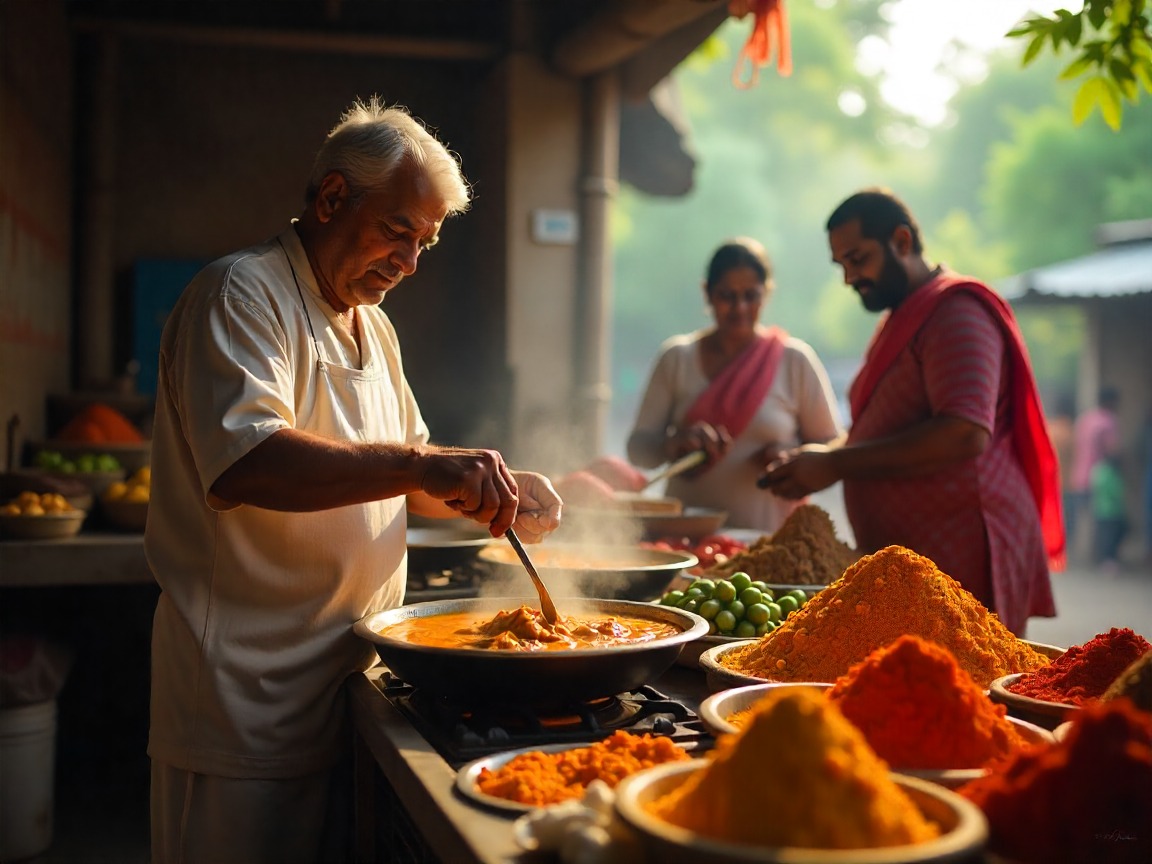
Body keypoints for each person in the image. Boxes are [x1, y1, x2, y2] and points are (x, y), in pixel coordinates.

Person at [144, 97, 562, 864]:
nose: (408, 262)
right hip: (247, 698)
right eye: (397, 230)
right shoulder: (243, 293)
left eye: (425, 243)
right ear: (332, 198)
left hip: (353, 681)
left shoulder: (372, 323)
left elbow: (410, 468)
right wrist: (421, 465)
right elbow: (248, 460)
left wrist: (488, 486)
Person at [759, 188, 1063, 636]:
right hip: (920, 554)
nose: (849, 278)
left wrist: (837, 463)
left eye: (857, 259)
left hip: (967, 545)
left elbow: (964, 432)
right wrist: (820, 456)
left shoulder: (956, 311)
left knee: (964, 693)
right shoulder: (906, 316)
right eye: (841, 264)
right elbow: (882, 427)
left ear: (901, 241)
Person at [625, 237, 842, 532]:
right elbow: (638, 449)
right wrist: (672, 444)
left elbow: (832, 446)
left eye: (750, 296)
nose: (739, 308)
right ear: (707, 294)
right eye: (727, 295)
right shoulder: (677, 358)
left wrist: (790, 455)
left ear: (767, 294)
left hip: (770, 540)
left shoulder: (795, 361)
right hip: (686, 539)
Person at [1068, 386, 1122, 559]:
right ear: (1110, 402)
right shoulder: (1108, 421)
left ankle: (1076, 555)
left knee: (1080, 518)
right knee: (1103, 519)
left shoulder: (1085, 419)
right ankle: (1101, 556)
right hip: (1100, 478)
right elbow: (1111, 449)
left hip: (1079, 474)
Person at [1090, 450, 1129, 570]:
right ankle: (1108, 560)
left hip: (1100, 510)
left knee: (1105, 536)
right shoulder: (1111, 473)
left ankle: (1105, 559)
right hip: (1111, 512)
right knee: (1110, 537)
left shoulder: (1099, 470)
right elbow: (1117, 491)